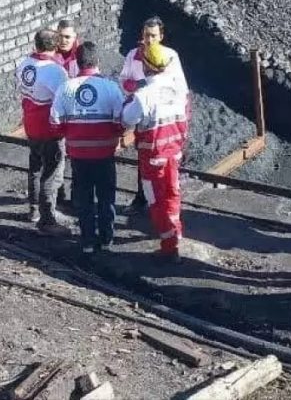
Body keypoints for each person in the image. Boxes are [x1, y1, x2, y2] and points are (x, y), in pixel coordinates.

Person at [51, 42, 125, 254]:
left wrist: (70, 134)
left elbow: (55, 122)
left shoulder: (66, 88)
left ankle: (87, 240)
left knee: (83, 198)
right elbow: (122, 121)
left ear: (76, 62)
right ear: (97, 62)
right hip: (105, 154)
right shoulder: (111, 87)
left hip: (78, 155)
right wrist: (115, 136)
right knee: (106, 196)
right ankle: (106, 238)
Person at [121, 43, 189, 262]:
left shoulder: (144, 95)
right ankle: (176, 232)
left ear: (147, 66)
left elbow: (127, 119)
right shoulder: (177, 89)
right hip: (174, 153)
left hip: (153, 157)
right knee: (173, 193)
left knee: (156, 201)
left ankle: (170, 247)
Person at [119, 16, 188, 216]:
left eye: (153, 35)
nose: (149, 40)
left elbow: (180, 88)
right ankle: (144, 198)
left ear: (161, 36)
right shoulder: (133, 55)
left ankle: (168, 204)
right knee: (144, 159)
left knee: (168, 162)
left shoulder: (170, 56)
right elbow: (124, 80)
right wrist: (136, 88)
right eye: (146, 35)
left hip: (166, 115)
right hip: (144, 115)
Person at [15, 28, 68, 231]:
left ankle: (34, 209)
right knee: (52, 173)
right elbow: (65, 99)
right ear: (55, 47)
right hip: (49, 129)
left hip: (31, 124)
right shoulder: (55, 71)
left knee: (35, 167)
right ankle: (48, 219)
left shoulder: (25, 64)